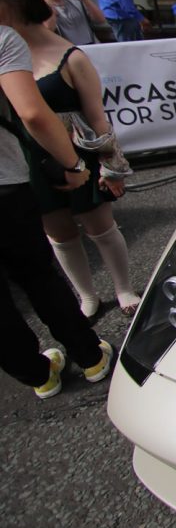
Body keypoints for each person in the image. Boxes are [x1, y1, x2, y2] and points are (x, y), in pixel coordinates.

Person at [0, 0, 139, 320]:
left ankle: (124, 288)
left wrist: (112, 167)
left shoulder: (71, 56)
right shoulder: (8, 56)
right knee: (58, 232)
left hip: (80, 151)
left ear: (15, 6)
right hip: (29, 157)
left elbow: (97, 117)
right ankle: (87, 295)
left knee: (99, 225)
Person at [0, 23, 114, 399]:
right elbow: (32, 112)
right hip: (5, 184)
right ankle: (90, 356)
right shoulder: (3, 38)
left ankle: (38, 375)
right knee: (36, 274)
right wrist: (72, 164)